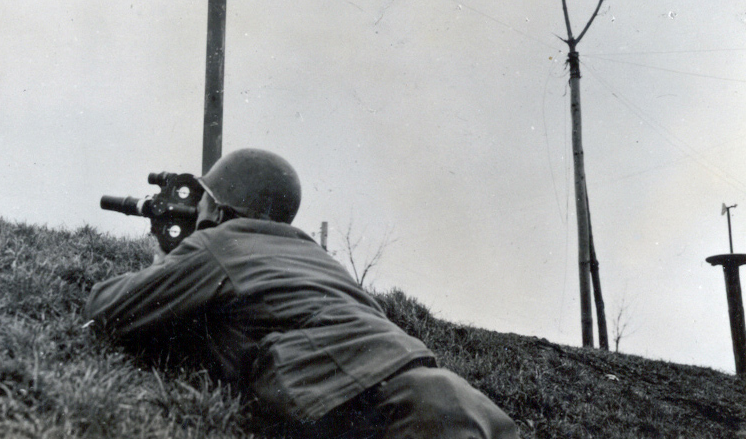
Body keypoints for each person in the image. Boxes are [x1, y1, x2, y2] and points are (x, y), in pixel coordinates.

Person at [84, 148, 519, 439]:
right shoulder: (315, 256)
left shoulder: (221, 243)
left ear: (218, 208)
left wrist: (163, 263)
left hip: (390, 414)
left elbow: (107, 309)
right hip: (466, 404)